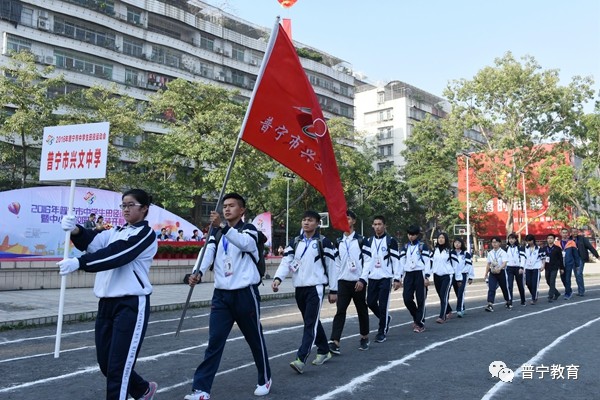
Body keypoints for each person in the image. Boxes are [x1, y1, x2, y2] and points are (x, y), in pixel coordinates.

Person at [58, 189, 158, 400]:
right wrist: (76, 230)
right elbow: (93, 243)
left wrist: (79, 263)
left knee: (118, 368)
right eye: (123, 205)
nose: (126, 209)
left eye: (131, 205)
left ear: (144, 208)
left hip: (130, 304)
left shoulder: (145, 234)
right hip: (106, 304)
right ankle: (142, 389)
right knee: (106, 364)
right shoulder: (115, 231)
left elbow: (118, 254)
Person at [184, 193, 272, 399]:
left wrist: (223, 227)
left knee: (254, 339)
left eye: (232, 206)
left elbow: (246, 244)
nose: (227, 209)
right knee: (214, 342)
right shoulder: (216, 232)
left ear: (242, 210)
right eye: (225, 206)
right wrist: (197, 271)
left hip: (245, 294)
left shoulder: (248, 229)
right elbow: (207, 252)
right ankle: (201, 389)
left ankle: (265, 378)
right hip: (221, 296)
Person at [271, 210, 336, 374]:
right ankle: (324, 350)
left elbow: (332, 267)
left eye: (310, 220)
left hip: (316, 288)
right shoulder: (294, 242)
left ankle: (301, 359)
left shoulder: (324, 242)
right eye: (304, 220)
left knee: (309, 323)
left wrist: (334, 290)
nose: (306, 222)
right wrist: (278, 278)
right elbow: (286, 262)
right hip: (299, 288)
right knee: (312, 321)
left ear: (317, 224)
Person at [328, 210, 370, 354]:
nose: (345, 222)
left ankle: (364, 337)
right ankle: (335, 341)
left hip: (358, 282)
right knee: (340, 311)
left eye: (348, 219)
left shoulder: (362, 240)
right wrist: (335, 283)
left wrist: (363, 280)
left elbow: (368, 262)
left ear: (353, 221)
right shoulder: (338, 241)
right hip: (343, 282)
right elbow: (337, 263)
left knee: (361, 310)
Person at [359, 215, 399, 343]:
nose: (377, 227)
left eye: (380, 224)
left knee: (383, 305)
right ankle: (385, 318)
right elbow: (365, 260)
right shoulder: (368, 241)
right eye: (375, 224)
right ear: (372, 226)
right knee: (370, 302)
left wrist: (397, 278)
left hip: (385, 277)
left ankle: (382, 331)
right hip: (372, 277)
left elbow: (395, 261)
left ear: (384, 225)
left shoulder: (390, 240)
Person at [395, 225, 431, 333]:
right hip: (408, 275)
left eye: (413, 235)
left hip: (420, 274)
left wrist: (426, 277)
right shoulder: (405, 247)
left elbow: (427, 262)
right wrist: (398, 277)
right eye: (409, 234)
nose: (411, 236)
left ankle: (420, 324)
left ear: (417, 235)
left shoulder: (422, 246)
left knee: (421, 299)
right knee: (407, 298)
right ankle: (417, 316)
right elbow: (401, 263)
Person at [430, 232, 457, 323]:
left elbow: (455, 265)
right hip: (436, 275)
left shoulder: (450, 251)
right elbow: (430, 262)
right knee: (441, 295)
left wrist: (459, 278)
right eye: (439, 238)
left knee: (444, 294)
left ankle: (442, 316)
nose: (440, 239)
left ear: (446, 239)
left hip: (447, 276)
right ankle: (449, 310)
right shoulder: (434, 250)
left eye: (442, 238)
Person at [483, 237, 511, 312]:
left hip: (501, 272)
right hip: (492, 273)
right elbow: (488, 263)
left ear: (499, 243)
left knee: (504, 288)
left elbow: (504, 263)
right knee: (491, 288)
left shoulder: (503, 253)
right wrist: (486, 273)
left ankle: (508, 301)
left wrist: (500, 268)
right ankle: (490, 304)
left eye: (496, 242)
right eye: (493, 242)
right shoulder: (490, 253)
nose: (494, 244)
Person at [571, 227, 599, 296]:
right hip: (572, 259)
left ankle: (581, 291)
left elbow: (590, 247)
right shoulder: (569, 240)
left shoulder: (582, 239)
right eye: (573, 232)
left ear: (577, 232)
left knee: (579, 274)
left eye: (576, 231)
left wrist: (597, 256)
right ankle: (580, 290)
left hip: (580, 258)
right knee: (576, 275)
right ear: (571, 233)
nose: (574, 233)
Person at [450, 238, 474, 317]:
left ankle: (459, 309)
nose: (457, 244)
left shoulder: (465, 254)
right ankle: (462, 306)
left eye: (459, 243)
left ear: (462, 244)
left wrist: (471, 277)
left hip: (463, 275)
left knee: (461, 292)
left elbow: (470, 266)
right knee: (457, 292)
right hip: (453, 275)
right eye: (455, 242)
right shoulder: (451, 253)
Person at [520, 234, 544, 304]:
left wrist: (543, 266)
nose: (528, 242)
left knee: (534, 283)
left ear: (533, 240)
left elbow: (543, 258)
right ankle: (534, 293)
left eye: (529, 241)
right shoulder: (524, 248)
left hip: (536, 267)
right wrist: (522, 267)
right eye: (527, 241)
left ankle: (534, 298)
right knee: (528, 283)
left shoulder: (539, 248)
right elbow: (523, 258)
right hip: (527, 268)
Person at [558, 227, 580, 300]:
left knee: (567, 279)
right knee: (563, 278)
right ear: (560, 233)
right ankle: (569, 290)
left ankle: (567, 293)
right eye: (563, 233)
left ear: (568, 234)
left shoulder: (572, 242)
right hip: (561, 264)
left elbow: (576, 255)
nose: (564, 234)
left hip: (569, 263)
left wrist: (577, 265)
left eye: (566, 233)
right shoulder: (557, 243)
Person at [541, 233, 563, 302]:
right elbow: (541, 258)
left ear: (554, 240)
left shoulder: (557, 248)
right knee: (548, 281)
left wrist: (561, 268)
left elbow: (560, 259)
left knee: (552, 281)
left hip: (554, 267)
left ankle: (550, 296)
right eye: (548, 238)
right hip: (547, 267)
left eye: (551, 238)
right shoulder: (544, 248)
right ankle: (557, 293)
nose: (549, 239)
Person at [505, 233, 526, 306]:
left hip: (518, 268)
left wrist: (521, 267)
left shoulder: (520, 248)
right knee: (509, 285)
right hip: (509, 268)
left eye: (513, 239)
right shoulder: (506, 248)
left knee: (520, 285)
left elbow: (523, 258)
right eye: (510, 239)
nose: (511, 240)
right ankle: (509, 301)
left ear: (515, 239)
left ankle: (523, 300)